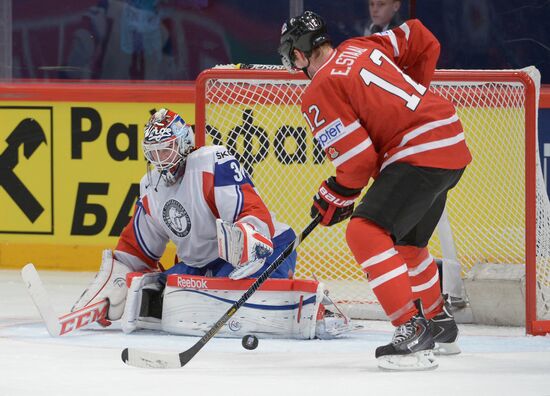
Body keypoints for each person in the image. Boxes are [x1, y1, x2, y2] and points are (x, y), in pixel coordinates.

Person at [278, 11, 471, 370]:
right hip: (449, 136)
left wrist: (335, 194)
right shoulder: (361, 45)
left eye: (291, 56)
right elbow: (421, 36)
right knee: (408, 244)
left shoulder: (318, 90)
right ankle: (438, 322)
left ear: (300, 54)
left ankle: (410, 329)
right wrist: (411, 104)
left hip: (418, 151)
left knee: (364, 232)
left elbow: (359, 162)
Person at [70, 108, 350, 340]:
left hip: (269, 248)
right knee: (161, 291)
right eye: (152, 153)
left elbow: (251, 211)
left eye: (165, 151)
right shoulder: (150, 187)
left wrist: (248, 242)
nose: (159, 161)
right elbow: (137, 249)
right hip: (205, 265)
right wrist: (115, 283)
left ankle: (318, 305)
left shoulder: (210, 161)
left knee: (226, 291)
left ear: (183, 143)